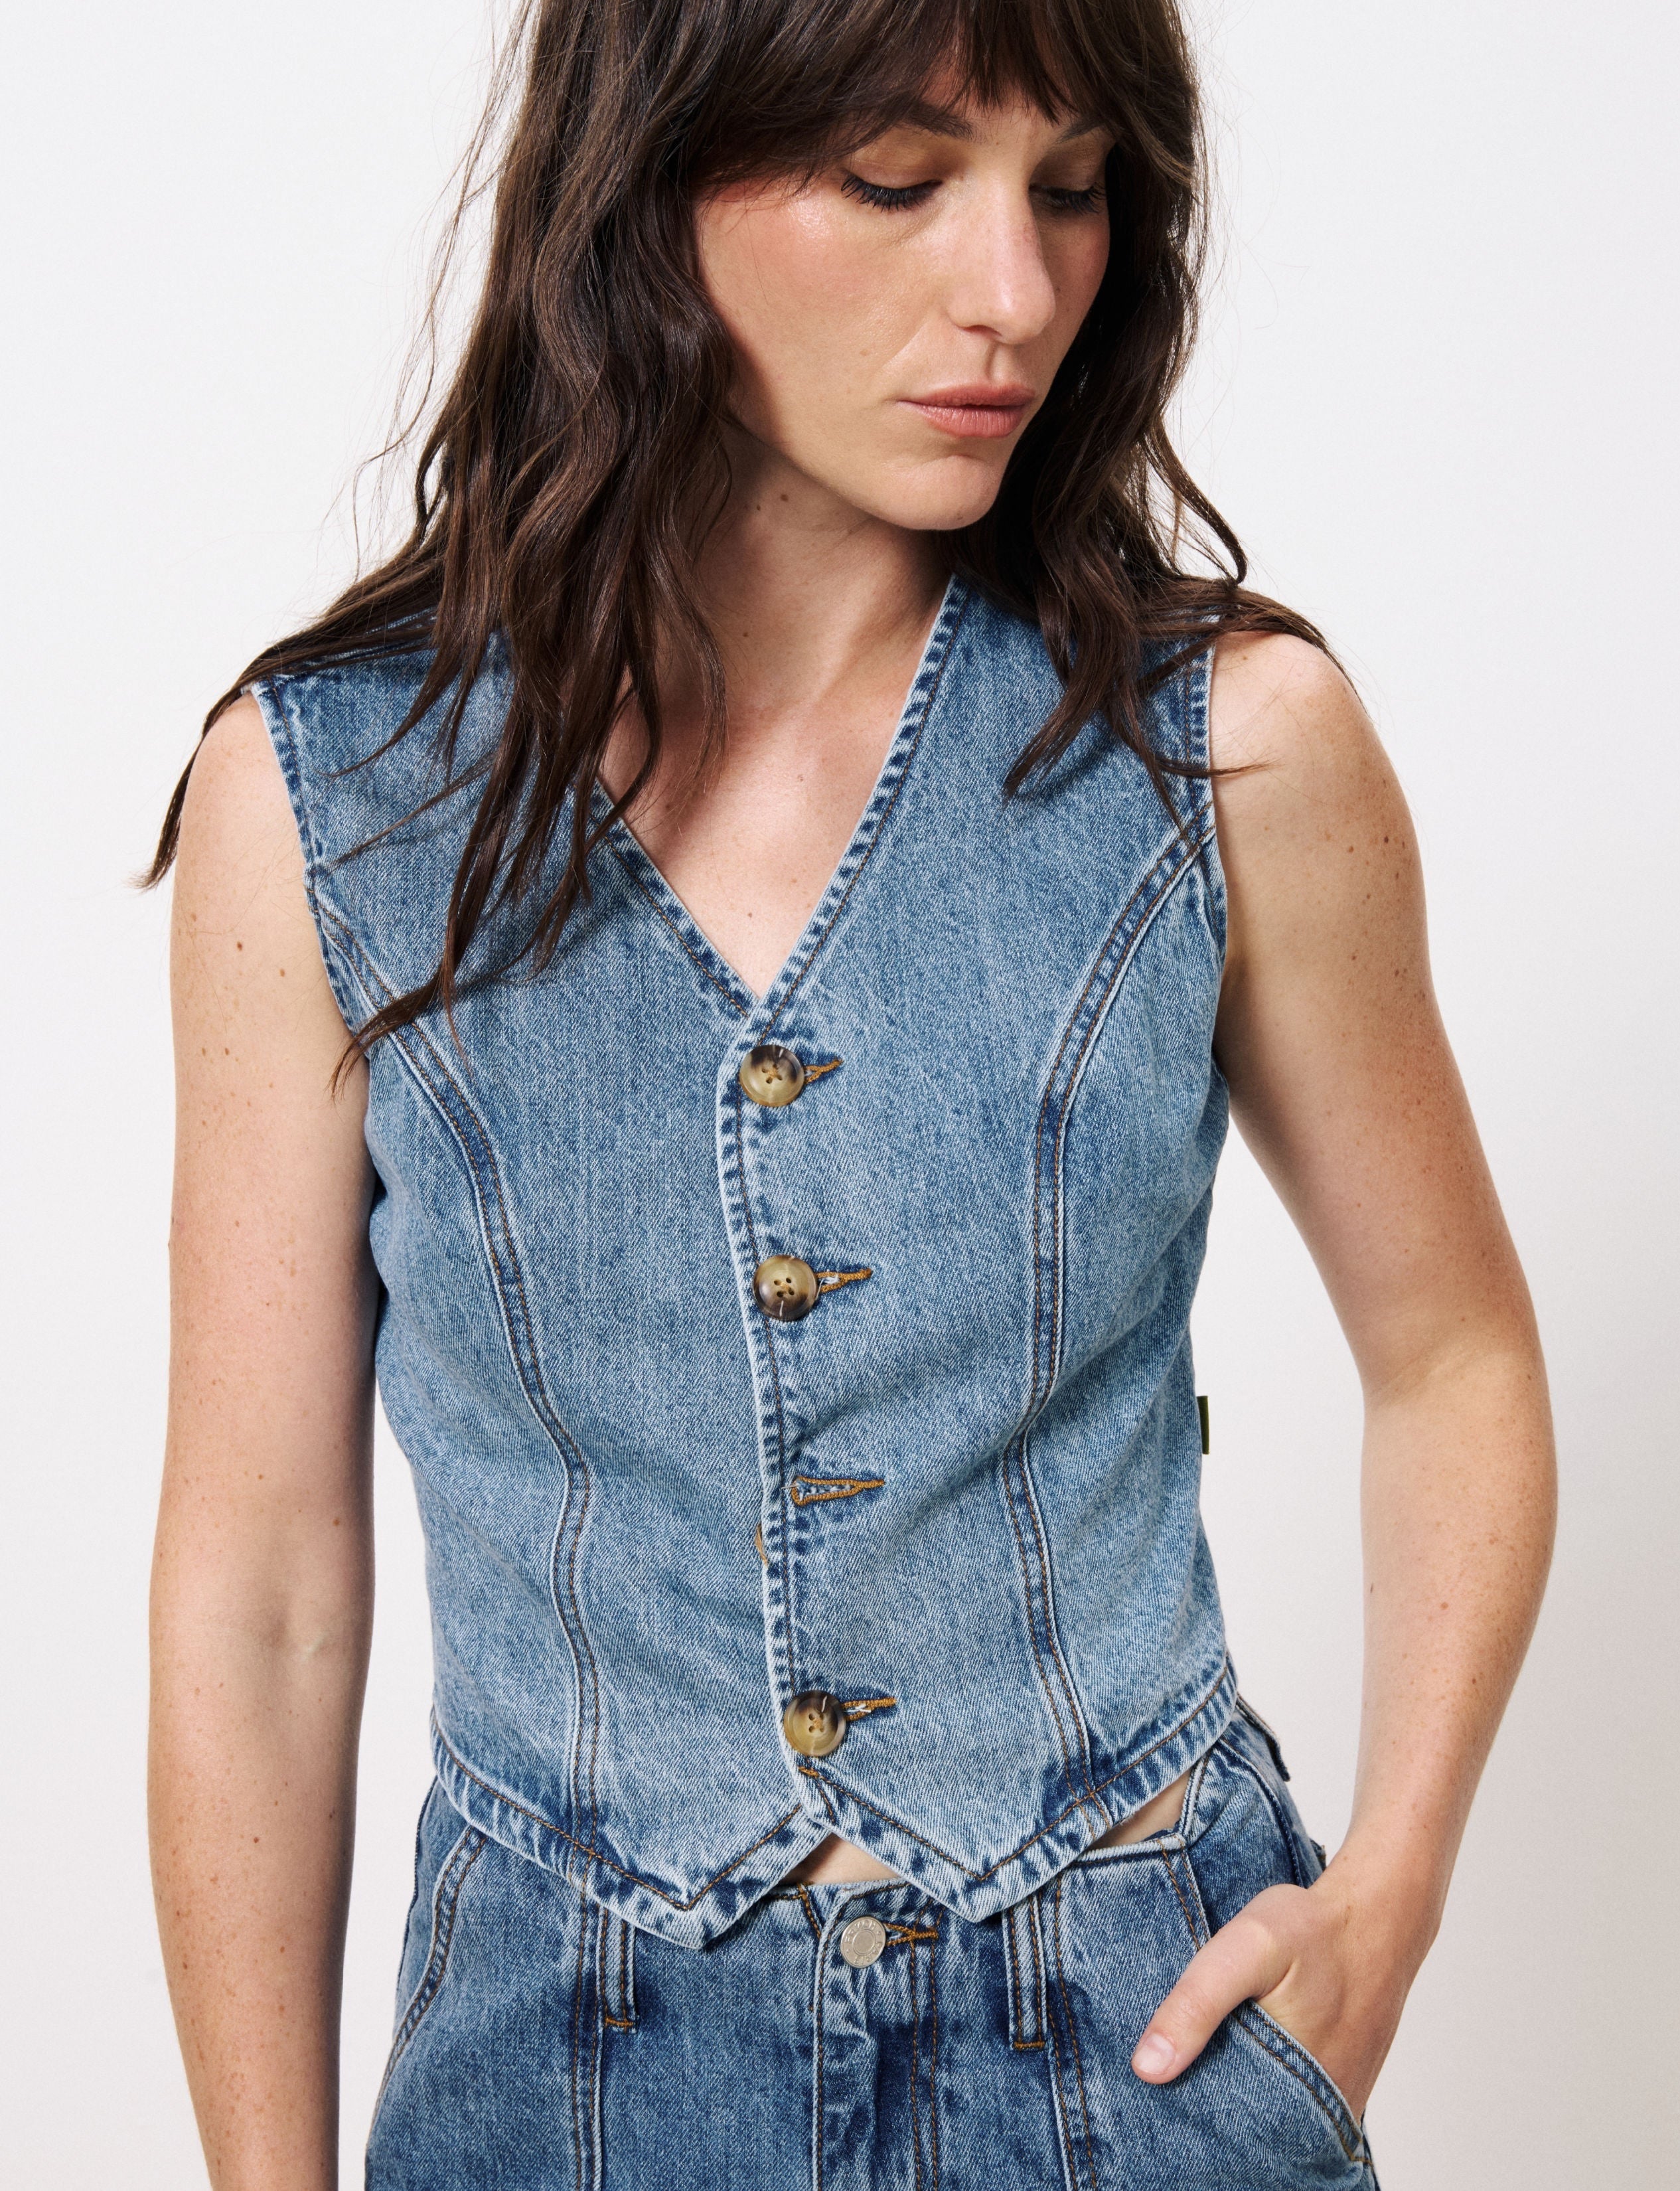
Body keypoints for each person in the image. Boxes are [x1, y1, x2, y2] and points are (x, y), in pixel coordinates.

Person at [146, 0, 1556, 2183]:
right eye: (901, 183)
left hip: (1136, 2056)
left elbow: (1455, 1352)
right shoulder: (324, 806)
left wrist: (1390, 1892)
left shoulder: (1233, 754)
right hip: (558, 2090)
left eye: (1071, 188)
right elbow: (262, 1576)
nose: (1014, 291)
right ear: (650, 182)